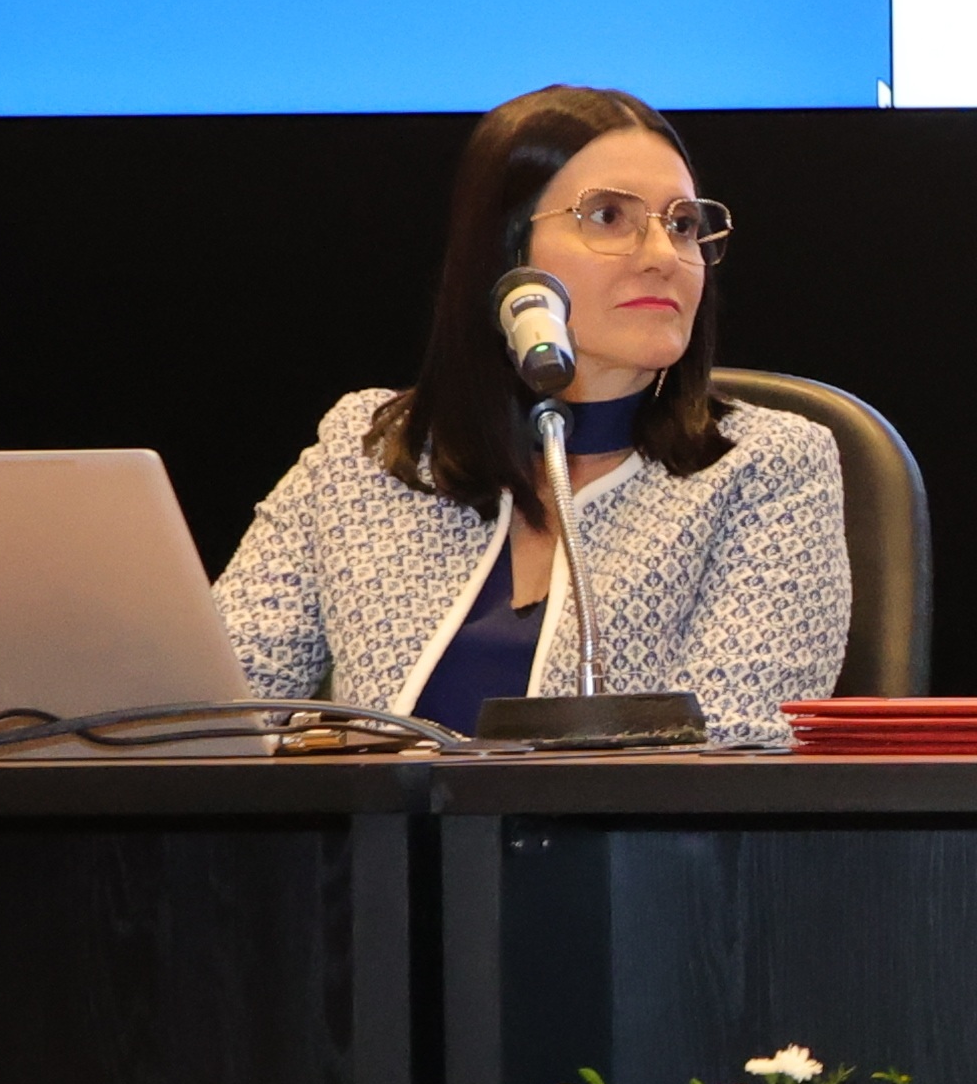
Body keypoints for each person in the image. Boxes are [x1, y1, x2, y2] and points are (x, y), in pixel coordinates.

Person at [217, 88, 852, 745]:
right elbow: (199, 711)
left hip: (621, 852)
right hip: (376, 846)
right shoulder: (372, 449)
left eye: (683, 223)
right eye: (609, 216)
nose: (664, 255)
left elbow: (736, 747)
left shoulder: (767, 466)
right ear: (506, 252)